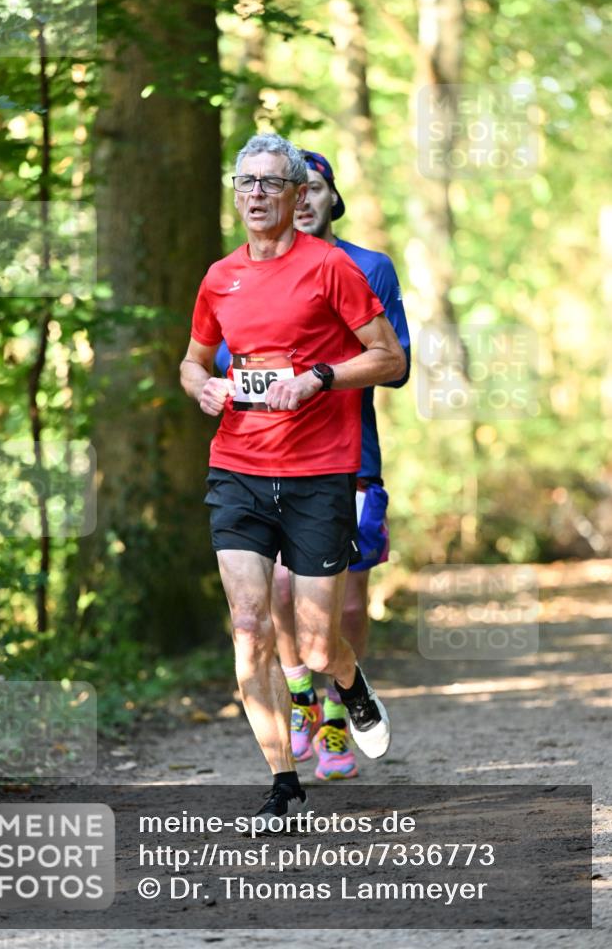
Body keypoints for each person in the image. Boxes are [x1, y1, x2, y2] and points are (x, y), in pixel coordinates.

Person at [180, 133, 407, 827]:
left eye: (268, 183)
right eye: (243, 181)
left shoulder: (333, 269)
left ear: (295, 193)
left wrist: (318, 377)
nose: (254, 193)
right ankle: (284, 782)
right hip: (238, 467)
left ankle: (347, 680)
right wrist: (203, 390)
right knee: (248, 625)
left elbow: (390, 360)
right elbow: (191, 361)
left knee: (313, 643)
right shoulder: (220, 276)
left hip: (319, 474)